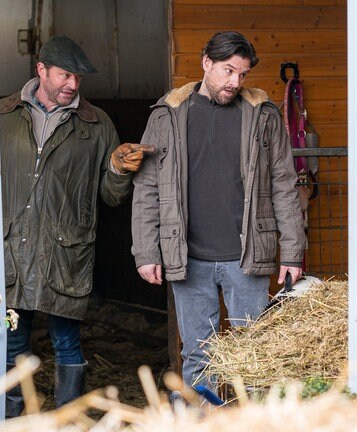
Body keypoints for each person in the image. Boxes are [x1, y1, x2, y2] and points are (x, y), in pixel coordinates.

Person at [0, 35, 153, 416]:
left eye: (78, 78)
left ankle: (69, 419)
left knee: (67, 341)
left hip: (64, 251)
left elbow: (111, 196)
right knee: (10, 341)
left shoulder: (96, 125)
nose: (72, 85)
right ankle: (11, 419)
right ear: (41, 70)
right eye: (65, 75)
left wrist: (116, 169)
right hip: (10, 247)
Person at [131, 31, 306, 390]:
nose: (235, 82)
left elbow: (284, 186)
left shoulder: (262, 116)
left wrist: (292, 251)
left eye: (242, 75)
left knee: (255, 354)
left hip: (248, 256)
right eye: (228, 71)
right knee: (197, 353)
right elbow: (147, 186)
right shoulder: (168, 116)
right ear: (206, 62)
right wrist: (146, 251)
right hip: (189, 256)